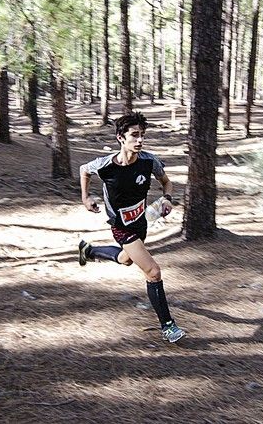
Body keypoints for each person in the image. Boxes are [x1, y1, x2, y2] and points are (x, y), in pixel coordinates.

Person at [78, 112, 186, 343]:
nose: (139, 141)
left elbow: (167, 182)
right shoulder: (105, 165)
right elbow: (83, 170)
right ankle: (168, 326)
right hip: (121, 227)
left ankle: (89, 251)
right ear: (120, 137)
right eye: (134, 135)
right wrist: (86, 198)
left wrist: (167, 198)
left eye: (142, 136)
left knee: (127, 260)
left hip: (142, 222)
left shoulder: (148, 161)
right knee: (153, 272)